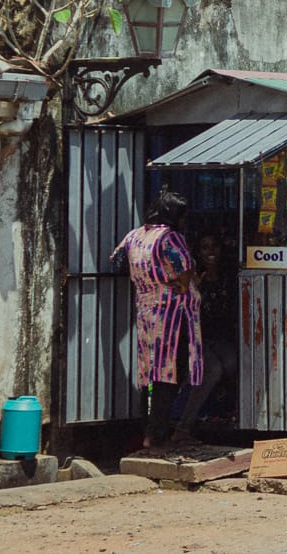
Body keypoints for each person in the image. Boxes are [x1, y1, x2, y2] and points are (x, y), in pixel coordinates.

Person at [110, 188, 203, 451]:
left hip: (146, 313)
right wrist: (171, 281)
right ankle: (156, 435)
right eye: (182, 216)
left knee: (149, 372)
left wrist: (147, 280)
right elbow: (185, 276)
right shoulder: (170, 238)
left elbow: (117, 263)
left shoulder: (134, 236)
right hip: (173, 316)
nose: (184, 221)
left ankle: (149, 430)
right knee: (170, 374)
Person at [173, 232, 239, 440]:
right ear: (198, 252)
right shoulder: (193, 277)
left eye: (214, 247)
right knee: (212, 370)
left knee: (233, 363)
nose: (210, 252)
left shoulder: (229, 277)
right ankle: (183, 427)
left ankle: (232, 415)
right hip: (197, 339)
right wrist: (195, 290)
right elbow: (182, 310)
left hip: (220, 339)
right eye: (205, 248)